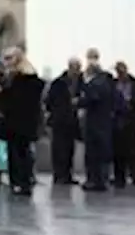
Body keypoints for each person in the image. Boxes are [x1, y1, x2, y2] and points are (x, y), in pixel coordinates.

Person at [0, 47, 44, 196]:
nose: (7, 62)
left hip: (17, 122)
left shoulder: (19, 79)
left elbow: (9, 100)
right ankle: (23, 181)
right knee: (22, 152)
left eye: (9, 58)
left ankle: (20, 182)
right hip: (23, 122)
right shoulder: (28, 79)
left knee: (18, 153)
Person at [79, 48, 115, 192]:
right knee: (102, 153)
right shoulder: (107, 81)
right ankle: (101, 179)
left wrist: (80, 100)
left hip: (94, 122)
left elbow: (91, 99)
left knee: (93, 153)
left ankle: (94, 180)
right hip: (105, 121)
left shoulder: (94, 83)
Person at [44, 58, 83, 186]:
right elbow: (49, 101)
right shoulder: (58, 83)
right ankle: (59, 174)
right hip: (59, 120)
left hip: (72, 121)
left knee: (70, 148)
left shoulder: (80, 82)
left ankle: (67, 174)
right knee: (59, 148)